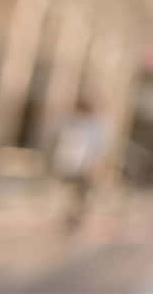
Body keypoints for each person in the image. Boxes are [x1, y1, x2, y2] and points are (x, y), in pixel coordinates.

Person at [52, 98, 106, 233]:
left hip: (81, 166)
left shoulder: (92, 126)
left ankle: (74, 216)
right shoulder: (71, 123)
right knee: (71, 192)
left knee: (78, 194)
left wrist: (93, 166)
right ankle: (69, 215)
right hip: (71, 164)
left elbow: (96, 149)